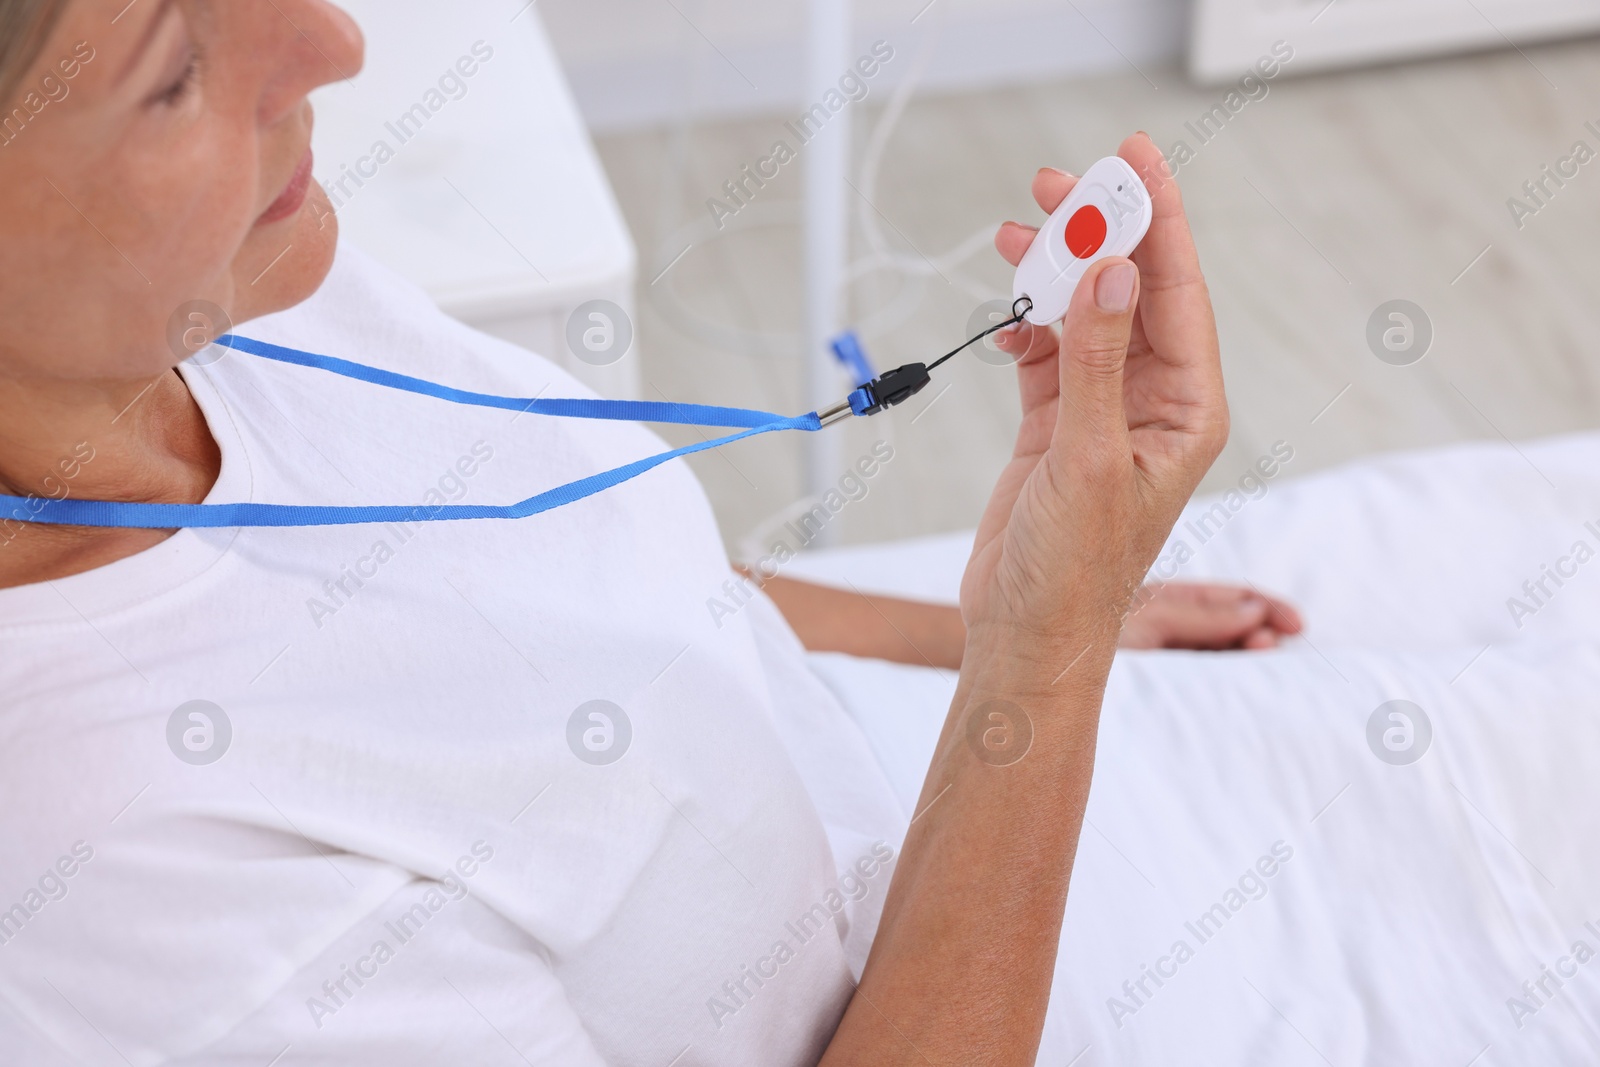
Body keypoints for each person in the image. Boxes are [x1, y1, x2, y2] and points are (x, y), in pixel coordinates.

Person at [0, 1, 1293, 1063]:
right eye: (173, 74)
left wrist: (990, 626)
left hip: (922, 785)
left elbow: (566, 592)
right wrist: (1047, 659)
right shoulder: (127, 875)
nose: (330, 39)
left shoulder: (248, 291)